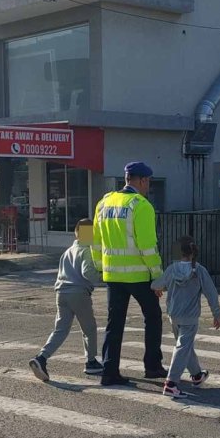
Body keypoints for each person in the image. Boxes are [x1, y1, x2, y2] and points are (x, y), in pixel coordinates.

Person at [92, 161, 167, 387]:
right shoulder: (140, 205)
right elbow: (148, 247)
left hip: (113, 275)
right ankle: (152, 366)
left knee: (114, 324)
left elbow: (94, 241)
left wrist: (99, 267)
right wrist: (158, 276)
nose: (148, 187)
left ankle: (109, 370)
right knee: (153, 318)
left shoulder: (103, 203)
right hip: (138, 276)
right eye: (148, 182)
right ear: (142, 180)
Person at [28, 218, 103, 382]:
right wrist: (103, 275)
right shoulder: (87, 251)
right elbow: (88, 273)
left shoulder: (68, 251)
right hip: (78, 292)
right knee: (89, 329)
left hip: (61, 292)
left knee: (60, 329)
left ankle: (41, 357)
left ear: (76, 232)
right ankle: (91, 362)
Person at [152, 237, 220, 399]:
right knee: (183, 347)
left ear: (179, 252)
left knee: (184, 346)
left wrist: (159, 288)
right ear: (193, 253)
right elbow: (211, 293)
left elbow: (156, 284)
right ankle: (171, 383)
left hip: (174, 315)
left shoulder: (172, 269)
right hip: (190, 317)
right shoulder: (199, 270)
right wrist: (216, 314)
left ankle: (197, 375)